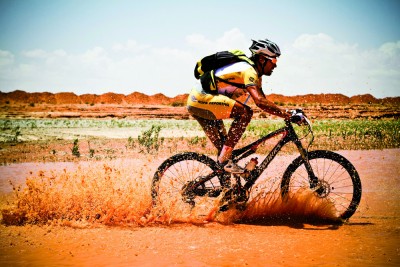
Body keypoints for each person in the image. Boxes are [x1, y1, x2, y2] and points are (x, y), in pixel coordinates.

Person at [187, 38, 291, 173]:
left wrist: (287, 112)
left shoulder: (255, 75)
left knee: (224, 152)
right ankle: (225, 162)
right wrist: (287, 114)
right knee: (245, 113)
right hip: (200, 100)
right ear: (261, 59)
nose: (275, 65)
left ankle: (228, 191)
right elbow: (259, 102)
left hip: (200, 102)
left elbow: (264, 101)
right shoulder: (249, 71)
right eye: (274, 60)